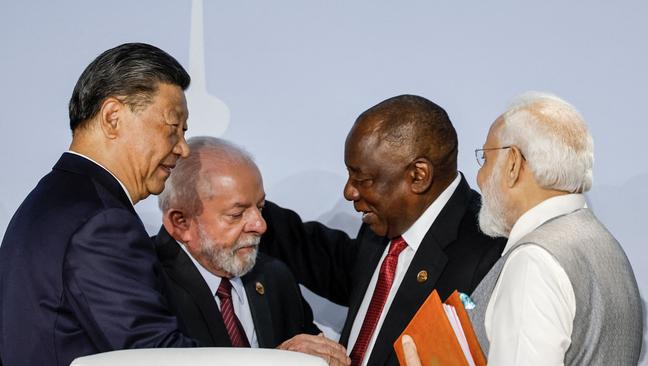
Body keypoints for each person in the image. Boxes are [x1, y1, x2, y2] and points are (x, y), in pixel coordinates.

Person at [260, 95, 506, 366]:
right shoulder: (385, 224)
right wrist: (245, 208)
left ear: (418, 175)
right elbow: (320, 256)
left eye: (362, 179)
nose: (349, 191)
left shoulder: (491, 251)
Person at [403, 92, 643, 365]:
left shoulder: (533, 263)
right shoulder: (608, 248)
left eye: (485, 159)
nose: (479, 178)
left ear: (513, 164)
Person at [0, 43, 198, 366]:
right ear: (112, 117)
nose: (183, 149)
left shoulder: (47, 202)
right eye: (173, 128)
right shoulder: (102, 223)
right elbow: (157, 356)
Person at [154, 136, 350, 365]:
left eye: (260, 207)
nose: (260, 225)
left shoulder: (275, 277)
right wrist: (275, 361)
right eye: (236, 214)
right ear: (181, 222)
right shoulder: (144, 283)